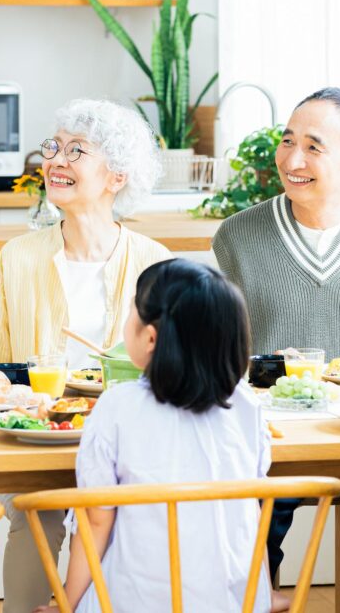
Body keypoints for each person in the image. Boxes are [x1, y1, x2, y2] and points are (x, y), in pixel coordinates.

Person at [0, 99, 171, 613]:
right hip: (36, 433)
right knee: (33, 515)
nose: (56, 161)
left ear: (117, 176)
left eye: (76, 151)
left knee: (124, 516)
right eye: (53, 147)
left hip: (130, 437)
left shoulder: (155, 262)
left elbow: (173, 371)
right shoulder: (17, 257)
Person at [212, 88, 340, 588]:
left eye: (313, 147)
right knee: (245, 528)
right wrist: (262, 371)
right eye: (288, 141)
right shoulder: (237, 237)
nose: (292, 159)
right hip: (272, 444)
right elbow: (223, 360)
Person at [35, 258, 271, 613]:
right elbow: (252, 511)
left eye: (133, 310)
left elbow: (96, 521)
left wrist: (65, 604)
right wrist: (261, 596)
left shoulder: (117, 406)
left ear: (150, 338)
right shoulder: (247, 405)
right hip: (233, 602)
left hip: (133, 602)